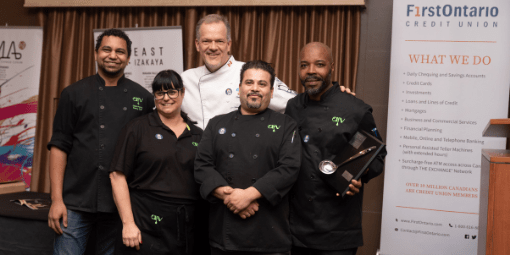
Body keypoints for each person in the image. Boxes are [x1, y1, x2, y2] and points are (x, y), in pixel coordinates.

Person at [47, 28, 154, 255]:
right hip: (75, 200)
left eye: (120, 51)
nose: (113, 55)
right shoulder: (73, 93)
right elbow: (59, 147)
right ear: (96, 53)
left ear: (128, 58)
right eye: (107, 49)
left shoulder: (142, 98)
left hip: (120, 205)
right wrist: (57, 200)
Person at [285, 42, 387, 255]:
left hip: (338, 229)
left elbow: (378, 156)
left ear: (332, 67)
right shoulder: (292, 106)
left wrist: (358, 174)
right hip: (296, 228)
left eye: (319, 64)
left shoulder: (356, 109)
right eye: (304, 65)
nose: (311, 71)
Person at [194, 60, 301, 255]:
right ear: (240, 87)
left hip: (270, 234)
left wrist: (248, 195)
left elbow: (289, 169)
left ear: (271, 90)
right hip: (224, 234)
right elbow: (202, 166)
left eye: (262, 84)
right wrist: (232, 198)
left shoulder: (286, 125)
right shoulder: (216, 124)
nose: (255, 88)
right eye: (249, 82)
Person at [108, 70, 202, 254]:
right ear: (154, 96)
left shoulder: (199, 135)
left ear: (182, 93)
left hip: (185, 226)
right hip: (143, 223)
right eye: (160, 93)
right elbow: (116, 176)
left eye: (172, 92)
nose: (166, 98)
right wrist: (128, 224)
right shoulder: (137, 128)